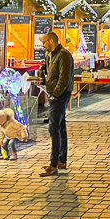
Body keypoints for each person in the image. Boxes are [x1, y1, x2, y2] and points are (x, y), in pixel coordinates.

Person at [39, 32, 73, 177]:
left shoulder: (63, 55)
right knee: (60, 126)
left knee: (54, 128)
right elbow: (50, 74)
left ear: (52, 41)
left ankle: (53, 165)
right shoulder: (49, 55)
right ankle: (61, 160)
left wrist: (55, 94)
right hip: (53, 94)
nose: (43, 45)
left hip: (60, 96)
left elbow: (63, 78)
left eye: (45, 42)